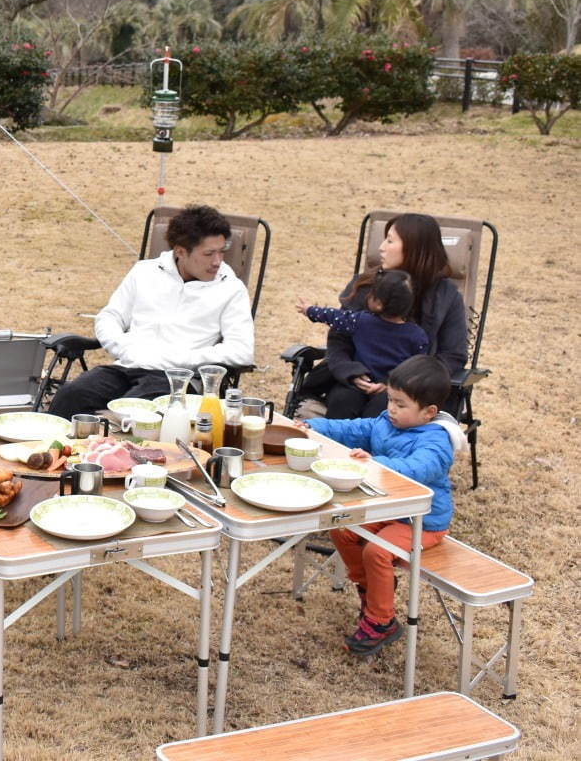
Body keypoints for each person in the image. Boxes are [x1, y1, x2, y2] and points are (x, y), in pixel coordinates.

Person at [297, 355, 463, 655]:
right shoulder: (387, 421)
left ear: (429, 412)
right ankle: (371, 593)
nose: (391, 410)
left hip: (422, 521)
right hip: (390, 509)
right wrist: (315, 426)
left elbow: (417, 468)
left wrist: (376, 464)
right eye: (390, 400)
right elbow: (355, 429)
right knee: (343, 529)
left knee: (377, 551)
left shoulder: (437, 441)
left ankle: (381, 621)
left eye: (400, 404)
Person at [48, 204, 254, 418]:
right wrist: (123, 347)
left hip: (177, 379)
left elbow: (242, 350)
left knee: (133, 414)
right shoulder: (145, 272)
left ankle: (112, 449)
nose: (217, 261)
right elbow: (110, 316)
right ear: (181, 251)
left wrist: (180, 358)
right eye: (209, 253)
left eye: (222, 251)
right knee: (70, 397)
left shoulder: (231, 288)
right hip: (127, 366)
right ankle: (52, 451)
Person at [306, 213, 468, 419]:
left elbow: (453, 356)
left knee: (385, 409)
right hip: (357, 378)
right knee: (343, 400)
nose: (381, 247)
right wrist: (351, 372)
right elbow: (339, 339)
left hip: (410, 391)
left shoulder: (445, 296)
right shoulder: (366, 286)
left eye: (390, 241)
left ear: (414, 249)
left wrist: (398, 382)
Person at [296, 269, 428, 386]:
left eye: (372, 293)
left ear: (379, 304)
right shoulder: (417, 336)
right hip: (391, 388)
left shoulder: (362, 321)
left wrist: (310, 310)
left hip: (362, 381)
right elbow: (417, 367)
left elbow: (334, 316)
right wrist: (387, 384)